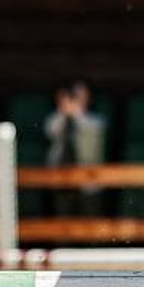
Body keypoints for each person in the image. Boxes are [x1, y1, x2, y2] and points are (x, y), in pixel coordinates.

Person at [44, 80, 106, 216]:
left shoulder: (95, 121)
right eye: (74, 95)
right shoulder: (59, 120)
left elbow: (90, 128)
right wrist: (63, 109)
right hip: (61, 179)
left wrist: (76, 113)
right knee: (62, 218)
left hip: (88, 181)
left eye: (81, 95)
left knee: (89, 220)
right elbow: (50, 130)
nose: (77, 99)